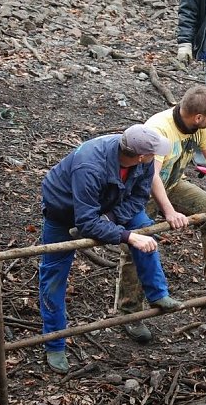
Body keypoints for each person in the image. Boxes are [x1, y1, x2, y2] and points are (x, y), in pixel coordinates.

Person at [39, 126, 181, 373]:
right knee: (53, 275)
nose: (158, 156)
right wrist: (126, 236)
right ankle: (54, 343)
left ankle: (157, 293)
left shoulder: (144, 162)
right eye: (154, 153)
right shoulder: (90, 166)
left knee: (144, 228)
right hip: (63, 211)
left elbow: (138, 198)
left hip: (111, 204)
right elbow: (84, 220)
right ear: (140, 156)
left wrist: (112, 219)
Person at [114, 87, 206, 343]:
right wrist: (169, 211)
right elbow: (151, 176)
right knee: (137, 243)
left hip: (173, 183)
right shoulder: (160, 128)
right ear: (198, 116)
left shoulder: (201, 127)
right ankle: (129, 312)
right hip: (142, 191)